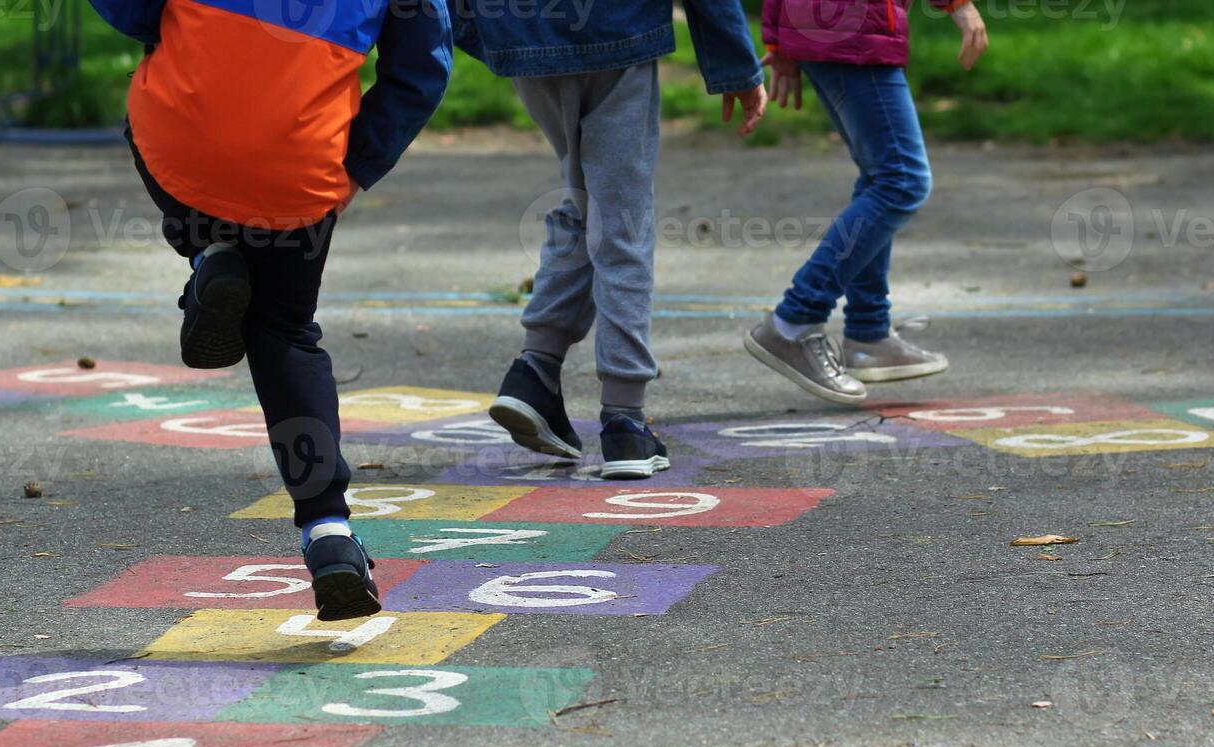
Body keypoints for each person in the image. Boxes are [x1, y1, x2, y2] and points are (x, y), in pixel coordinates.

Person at [87, 0, 453, 619]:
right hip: (299, 170)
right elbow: (422, 68)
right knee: (283, 330)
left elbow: (129, 12)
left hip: (183, 143)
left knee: (158, 121)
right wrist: (357, 168)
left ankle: (207, 254)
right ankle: (328, 531)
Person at [452, 0, 769, 478]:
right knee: (623, 222)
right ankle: (624, 420)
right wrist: (735, 66)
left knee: (587, 202)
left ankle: (535, 370)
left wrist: (499, 37)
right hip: (617, 30)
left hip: (525, 34)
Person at [746, 0, 988, 405]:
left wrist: (780, 34)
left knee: (882, 176)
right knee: (903, 180)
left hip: (823, 27)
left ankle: (868, 333)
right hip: (853, 29)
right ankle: (794, 320)